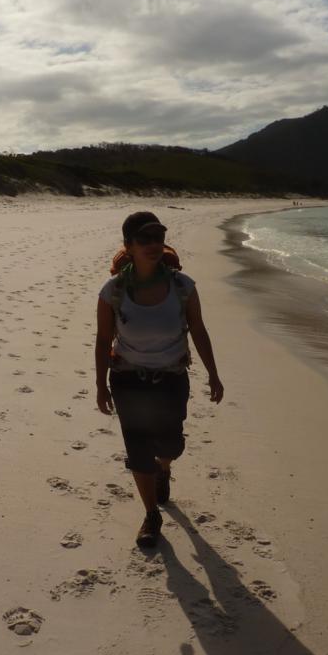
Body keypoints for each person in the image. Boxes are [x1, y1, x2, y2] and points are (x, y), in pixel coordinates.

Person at [95, 211, 224, 547]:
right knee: (138, 449)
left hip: (171, 378)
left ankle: (164, 469)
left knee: (170, 444)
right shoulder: (113, 291)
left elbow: (198, 329)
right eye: (144, 239)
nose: (153, 245)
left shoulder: (182, 286)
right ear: (128, 246)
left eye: (158, 237)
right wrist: (100, 385)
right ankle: (151, 515)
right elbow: (102, 339)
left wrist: (213, 373)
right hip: (127, 379)